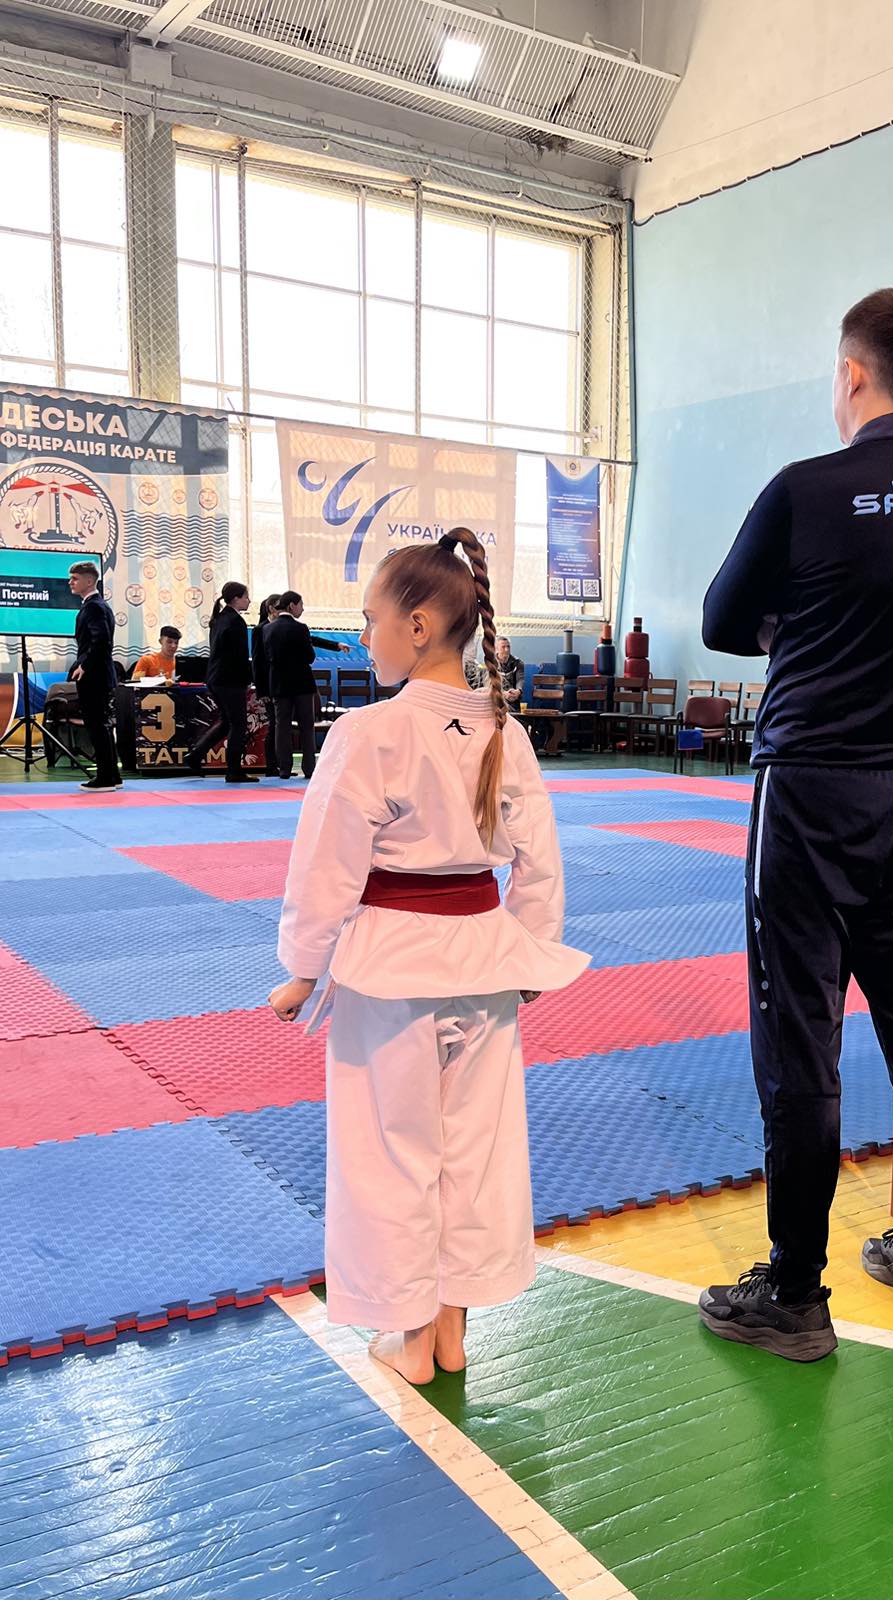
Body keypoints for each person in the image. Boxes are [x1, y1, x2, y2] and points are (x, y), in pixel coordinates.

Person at [697, 288, 893, 1363]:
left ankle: (794, 1291)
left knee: (800, 1037)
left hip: (813, 792)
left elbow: (722, 622)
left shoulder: (807, 489)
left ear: (852, 374)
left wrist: (801, 623)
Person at [267, 527, 588, 1386]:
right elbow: (540, 862)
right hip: (484, 959)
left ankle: (409, 1339)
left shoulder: (367, 732)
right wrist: (531, 953)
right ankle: (451, 1333)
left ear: (417, 627)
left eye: (369, 619)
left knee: (390, 1151)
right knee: (474, 1152)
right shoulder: (505, 732)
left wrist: (304, 966)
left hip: (392, 966)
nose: (363, 635)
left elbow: (326, 864)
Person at [264, 591, 351, 780]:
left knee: (282, 726)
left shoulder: (268, 629)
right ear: (292, 605)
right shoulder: (300, 628)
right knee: (306, 726)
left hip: (279, 684)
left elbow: (267, 657)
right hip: (301, 684)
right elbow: (309, 656)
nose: (302, 609)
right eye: (301, 605)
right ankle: (309, 768)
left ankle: (284, 769)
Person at [186, 580, 258, 784]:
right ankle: (234, 770)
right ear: (236, 599)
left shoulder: (219, 619)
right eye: (246, 597)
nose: (249, 601)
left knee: (228, 722)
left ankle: (196, 755)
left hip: (216, 678)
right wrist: (248, 678)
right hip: (230, 680)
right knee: (238, 724)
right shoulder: (236, 622)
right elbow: (239, 656)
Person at [68, 560, 122, 792]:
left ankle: (105, 778)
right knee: (102, 725)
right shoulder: (97, 605)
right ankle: (112, 775)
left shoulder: (94, 607)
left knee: (96, 725)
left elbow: (101, 640)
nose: (70, 582)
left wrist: (85, 665)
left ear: (90, 581)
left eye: (75, 578)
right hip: (99, 673)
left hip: (94, 675)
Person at [252, 594, 282, 776]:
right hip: (268, 684)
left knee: (280, 725)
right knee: (273, 724)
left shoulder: (281, 627)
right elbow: (257, 661)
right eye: (279, 607)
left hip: (281, 684)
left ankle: (280, 763)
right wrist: (261, 690)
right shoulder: (260, 629)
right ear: (271, 608)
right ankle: (271, 764)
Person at [495, 636, 525, 704]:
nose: (506, 649)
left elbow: (520, 679)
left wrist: (518, 691)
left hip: (513, 699)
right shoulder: (491, 663)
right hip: (496, 700)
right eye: (503, 647)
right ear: (496, 648)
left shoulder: (518, 663)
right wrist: (503, 694)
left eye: (508, 646)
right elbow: (489, 685)